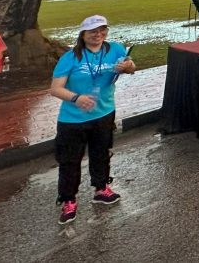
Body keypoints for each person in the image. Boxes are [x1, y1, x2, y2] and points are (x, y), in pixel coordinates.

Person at [50, 15, 136, 225]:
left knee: (101, 153)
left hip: (104, 113)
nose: (98, 35)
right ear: (83, 34)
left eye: (102, 30)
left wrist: (127, 67)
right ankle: (69, 200)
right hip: (73, 119)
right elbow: (55, 88)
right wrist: (76, 98)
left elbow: (132, 66)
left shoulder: (115, 49)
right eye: (93, 32)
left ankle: (101, 188)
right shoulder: (70, 58)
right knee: (70, 160)